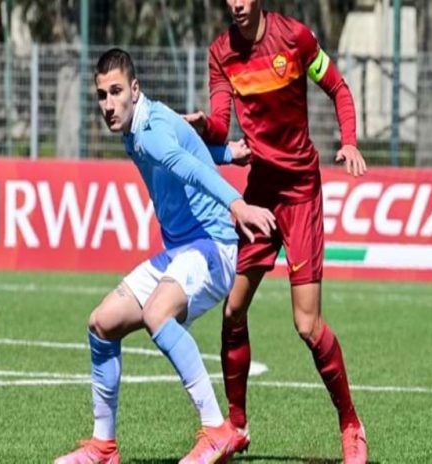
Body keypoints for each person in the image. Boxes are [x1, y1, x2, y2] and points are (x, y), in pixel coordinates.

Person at [54, 48, 276, 464]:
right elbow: (189, 152)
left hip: (213, 246)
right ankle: (103, 446)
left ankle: (216, 430)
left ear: (135, 89)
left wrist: (237, 204)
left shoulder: (150, 130)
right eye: (101, 95)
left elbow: (185, 166)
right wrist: (227, 154)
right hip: (181, 251)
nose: (108, 104)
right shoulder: (138, 125)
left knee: (158, 313)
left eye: (116, 92)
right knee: (102, 324)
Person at [183, 1, 368, 462]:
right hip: (260, 197)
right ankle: (237, 427)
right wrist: (203, 127)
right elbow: (221, 124)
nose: (236, 4)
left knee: (306, 325)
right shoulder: (221, 53)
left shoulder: (295, 38)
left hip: (301, 194)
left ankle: (351, 424)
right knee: (233, 310)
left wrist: (348, 141)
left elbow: (339, 88)